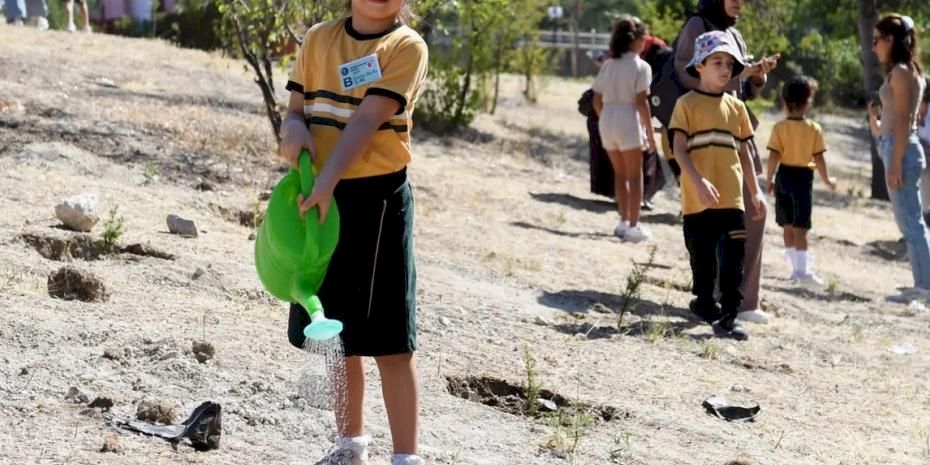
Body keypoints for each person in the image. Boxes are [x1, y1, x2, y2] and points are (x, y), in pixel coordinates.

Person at [280, 0, 428, 463]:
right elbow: (296, 109)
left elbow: (366, 120)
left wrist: (327, 182)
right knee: (336, 333)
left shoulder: (405, 46)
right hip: (320, 197)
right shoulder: (318, 39)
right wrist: (292, 129)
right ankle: (351, 446)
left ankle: (406, 457)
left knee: (391, 341)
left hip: (376, 203)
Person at [673, 0, 778, 324]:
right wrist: (732, 75)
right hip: (703, 140)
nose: (738, 2)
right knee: (707, 232)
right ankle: (712, 299)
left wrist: (755, 77)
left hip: (735, 131)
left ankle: (743, 302)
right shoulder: (697, 26)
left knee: (752, 215)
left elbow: (742, 90)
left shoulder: (736, 34)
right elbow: (683, 72)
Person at [868, 14, 930, 303]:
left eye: (876, 40)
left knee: (912, 223)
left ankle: (924, 286)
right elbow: (897, 120)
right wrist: (876, 123)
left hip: (901, 152)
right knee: (909, 223)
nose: (874, 46)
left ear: (890, 39)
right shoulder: (904, 71)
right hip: (896, 147)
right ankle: (922, 283)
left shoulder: (903, 72)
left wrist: (895, 162)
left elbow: (905, 120)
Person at [765, 76, 837, 285]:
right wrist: (827, 179)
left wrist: (769, 179)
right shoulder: (813, 128)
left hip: (783, 176)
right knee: (801, 227)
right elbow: (819, 158)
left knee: (787, 225)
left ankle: (794, 264)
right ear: (807, 102)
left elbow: (773, 156)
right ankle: (802, 270)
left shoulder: (779, 128)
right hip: (803, 179)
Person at [592, 15, 657, 242]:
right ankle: (634, 225)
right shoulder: (641, 66)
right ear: (635, 40)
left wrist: (606, 118)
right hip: (628, 117)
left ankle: (622, 221)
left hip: (607, 118)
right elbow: (641, 102)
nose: (645, 41)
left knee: (619, 174)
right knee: (635, 176)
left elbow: (597, 99)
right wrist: (649, 133)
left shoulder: (608, 65)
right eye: (643, 37)